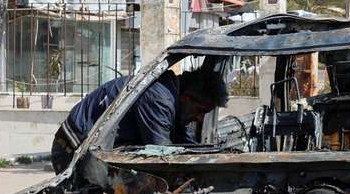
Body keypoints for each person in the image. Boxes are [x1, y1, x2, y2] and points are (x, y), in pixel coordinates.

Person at [50, 66, 229, 173]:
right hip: (73, 148)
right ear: (187, 97)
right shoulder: (159, 98)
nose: (199, 118)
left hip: (91, 149)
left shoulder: (173, 98)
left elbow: (183, 141)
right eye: (201, 111)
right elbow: (162, 155)